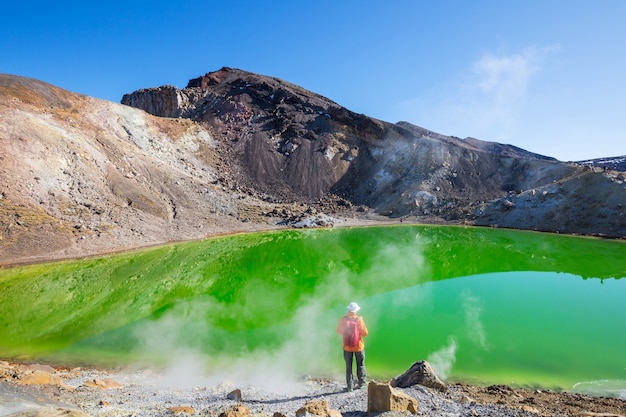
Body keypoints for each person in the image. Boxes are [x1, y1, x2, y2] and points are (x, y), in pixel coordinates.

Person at [336, 301, 368, 391]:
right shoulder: (359, 319)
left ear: (348, 310)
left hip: (346, 347)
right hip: (358, 347)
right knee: (360, 365)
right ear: (356, 311)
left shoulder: (343, 319)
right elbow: (365, 333)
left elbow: (338, 331)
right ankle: (361, 384)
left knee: (348, 366)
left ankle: (350, 386)